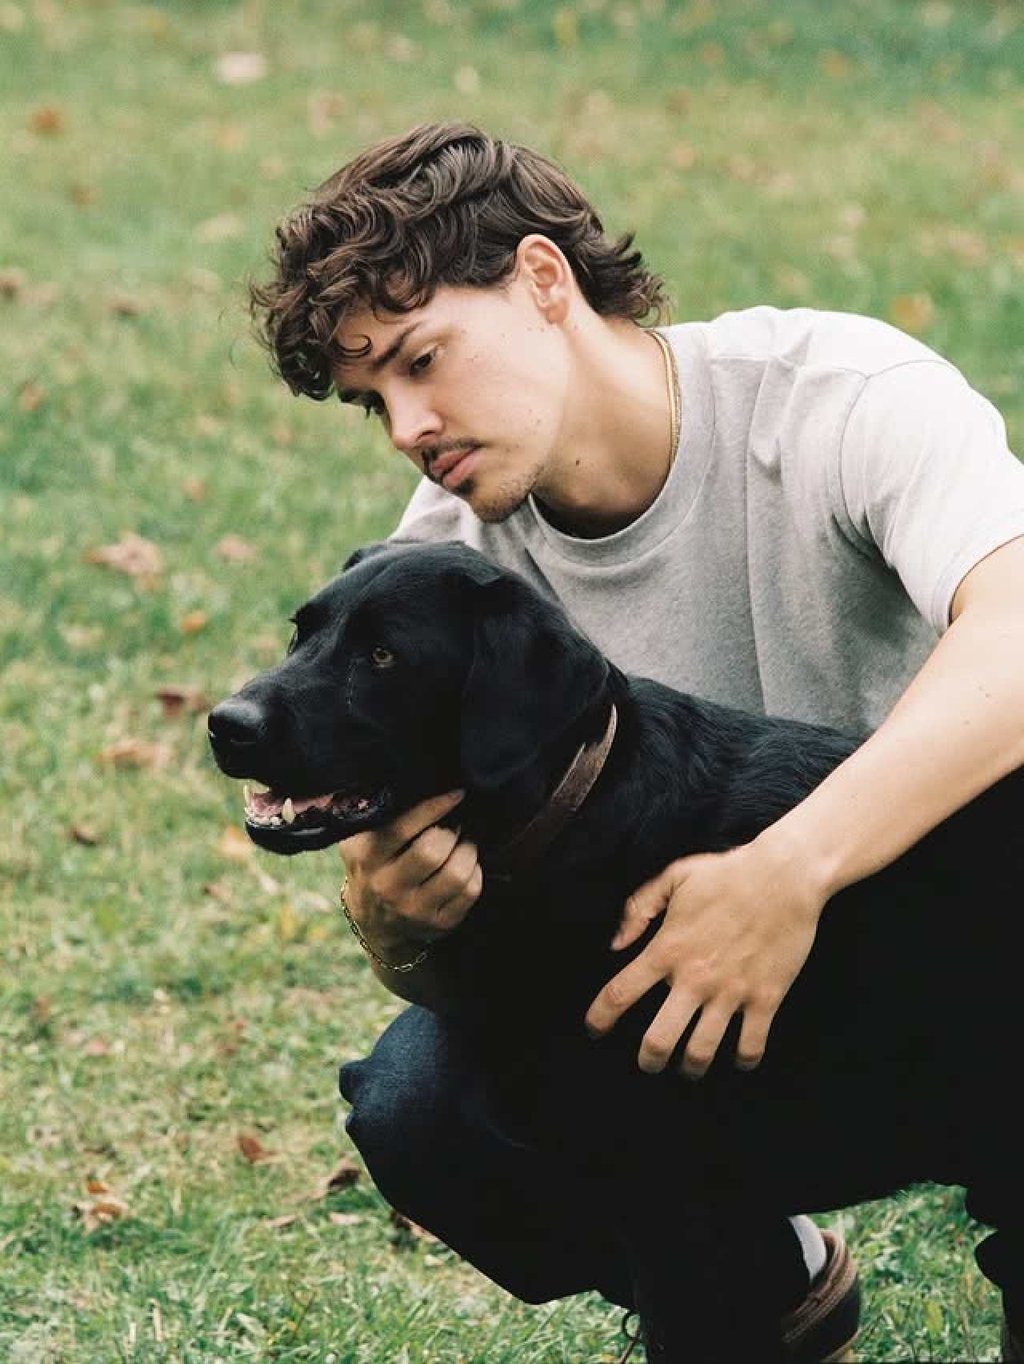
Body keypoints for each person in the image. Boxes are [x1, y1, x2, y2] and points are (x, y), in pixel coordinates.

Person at [247, 121, 1024, 1361]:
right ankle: (751, 1283)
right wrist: (392, 918)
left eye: (422, 359)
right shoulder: (451, 566)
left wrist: (790, 869)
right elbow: (473, 948)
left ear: (545, 282)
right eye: (370, 398)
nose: (405, 423)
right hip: (722, 1019)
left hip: (975, 948)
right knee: (426, 1108)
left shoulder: (834, 396)